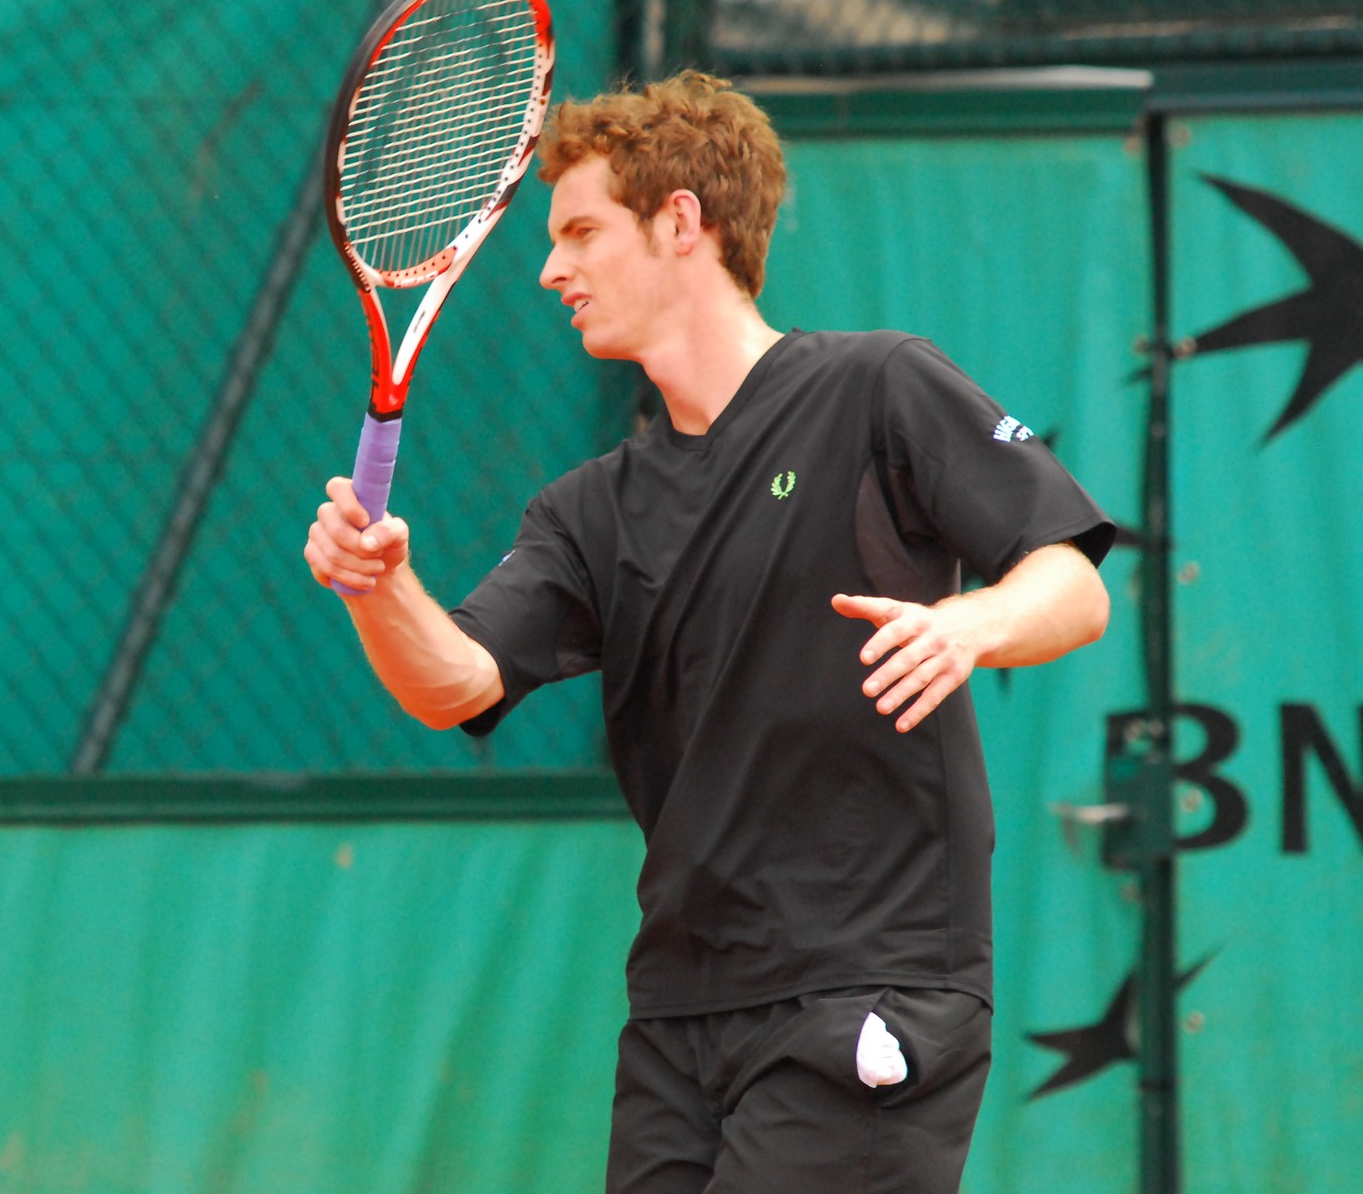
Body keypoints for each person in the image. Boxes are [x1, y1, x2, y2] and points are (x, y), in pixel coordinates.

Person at [302, 71, 1113, 1194]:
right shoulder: (590, 511)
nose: (551, 270)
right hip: (681, 1015)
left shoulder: (876, 388)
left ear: (682, 221)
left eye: (582, 231)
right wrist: (378, 587)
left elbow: (1072, 585)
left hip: (864, 988)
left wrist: (965, 625)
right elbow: (454, 683)